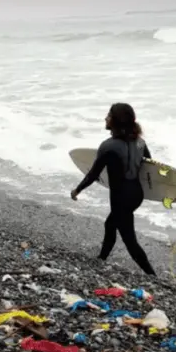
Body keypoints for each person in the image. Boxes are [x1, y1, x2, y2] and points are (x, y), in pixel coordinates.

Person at [71, 102, 156, 275]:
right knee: (110, 224)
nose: (105, 118)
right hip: (136, 194)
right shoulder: (140, 142)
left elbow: (93, 174)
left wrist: (77, 190)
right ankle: (101, 259)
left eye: (108, 115)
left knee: (129, 239)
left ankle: (151, 275)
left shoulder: (108, 146)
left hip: (121, 196)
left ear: (116, 121)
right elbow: (149, 166)